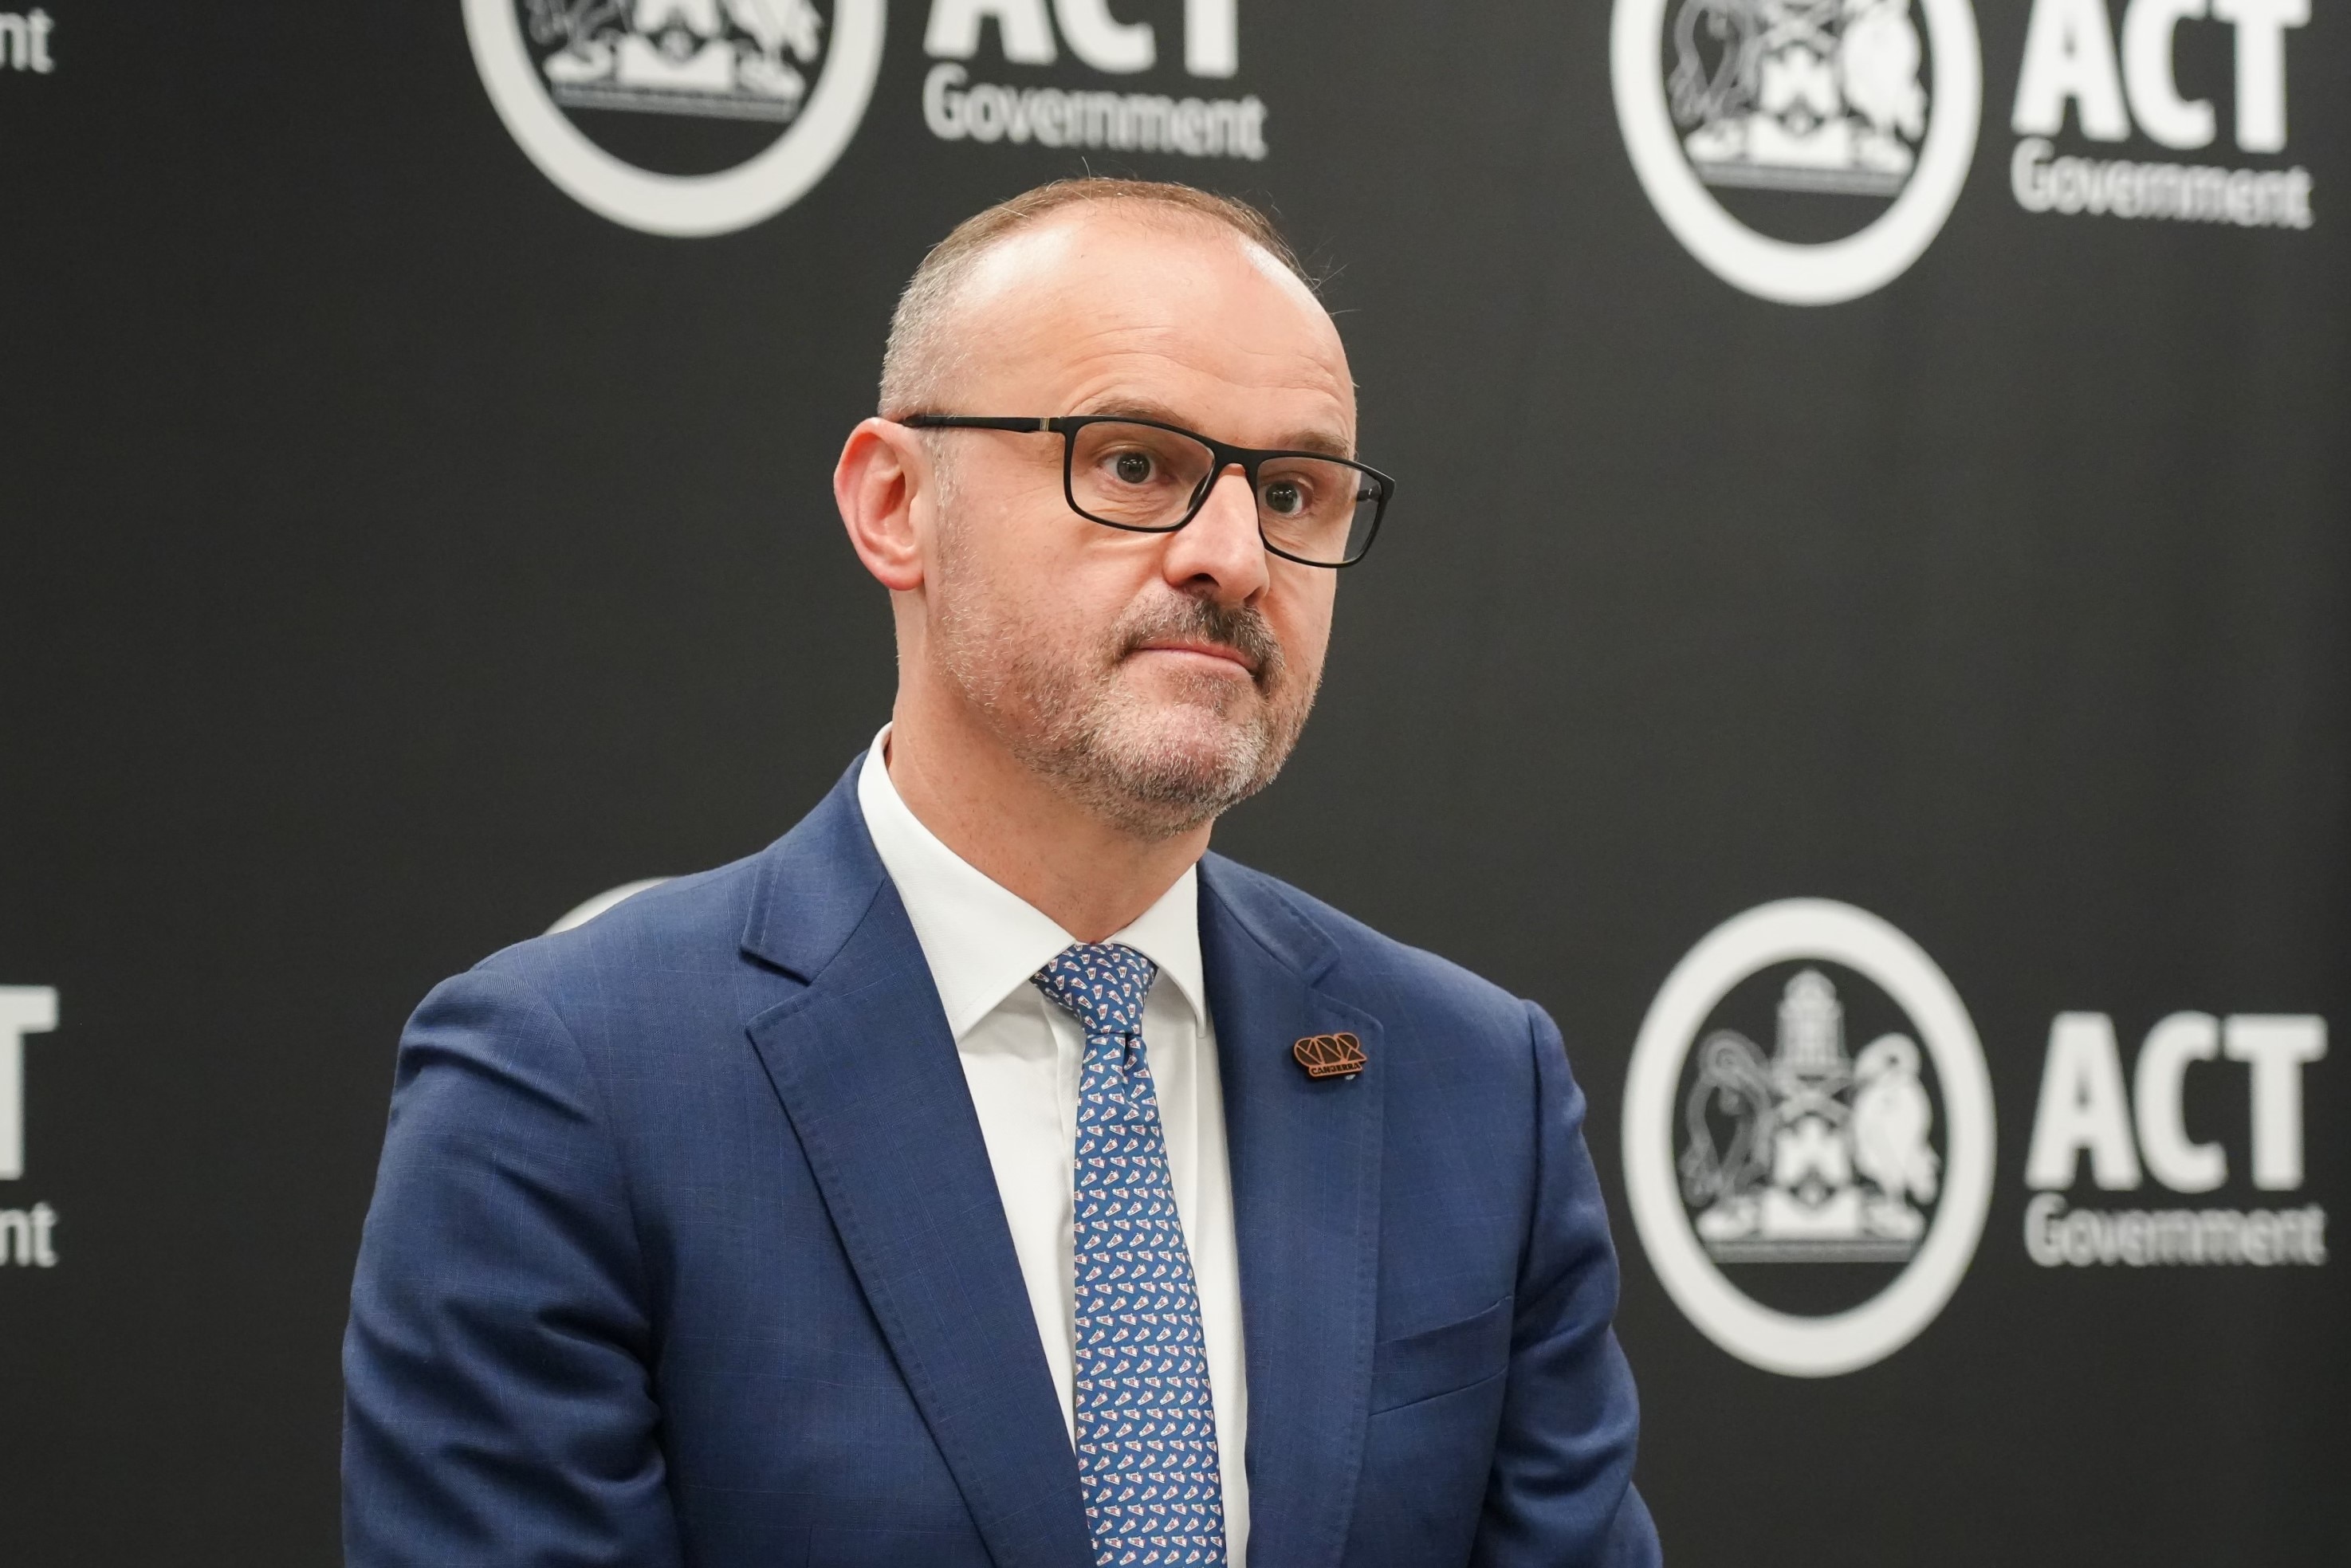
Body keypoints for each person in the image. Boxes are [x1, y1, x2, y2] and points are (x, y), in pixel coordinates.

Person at [343, 178, 1660, 1567]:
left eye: (1292, 491)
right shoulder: (566, 1084)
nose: (1229, 557)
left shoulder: (1474, 1085)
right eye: (1134, 462)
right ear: (896, 503)